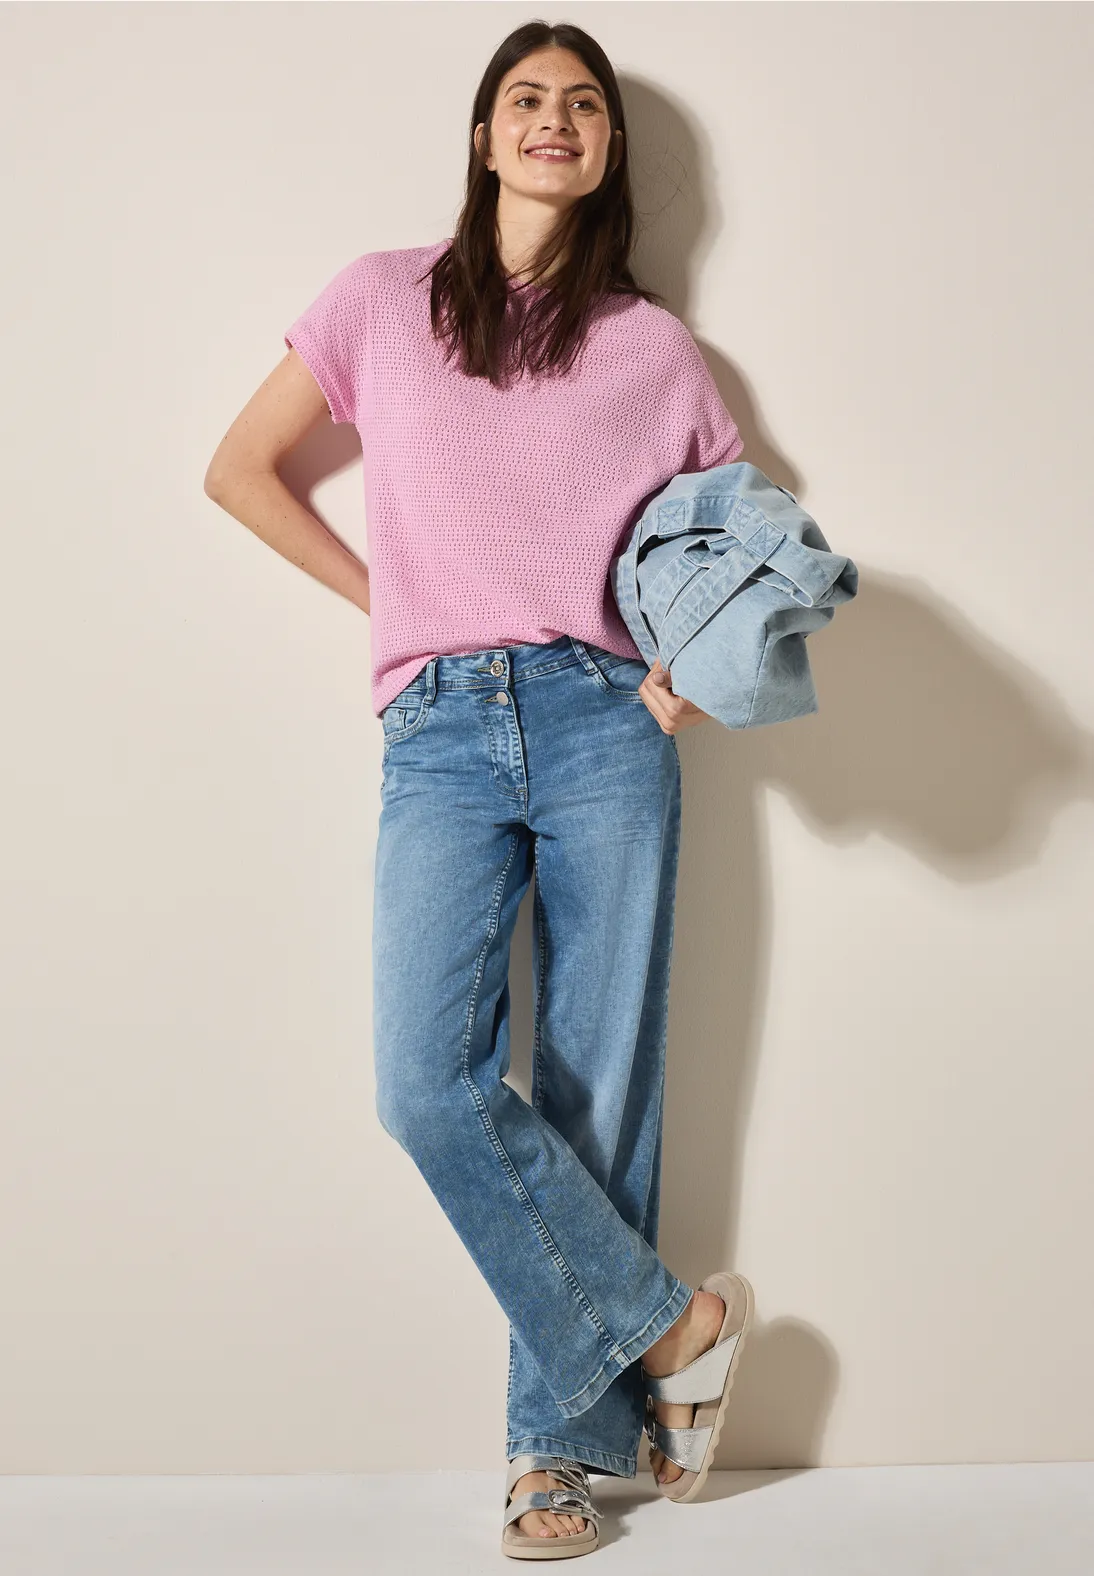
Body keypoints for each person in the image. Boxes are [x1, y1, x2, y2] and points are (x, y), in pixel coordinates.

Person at [204, 18, 753, 1561]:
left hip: (603, 721)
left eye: (582, 104)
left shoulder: (653, 350)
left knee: (593, 1084)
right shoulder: (381, 300)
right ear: (481, 133)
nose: (552, 119)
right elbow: (239, 470)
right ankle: (671, 1327)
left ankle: (551, 1462)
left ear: (609, 149)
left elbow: (748, 540)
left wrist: (687, 668)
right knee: (421, 1081)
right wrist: (388, 600)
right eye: (526, 97)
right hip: (438, 724)